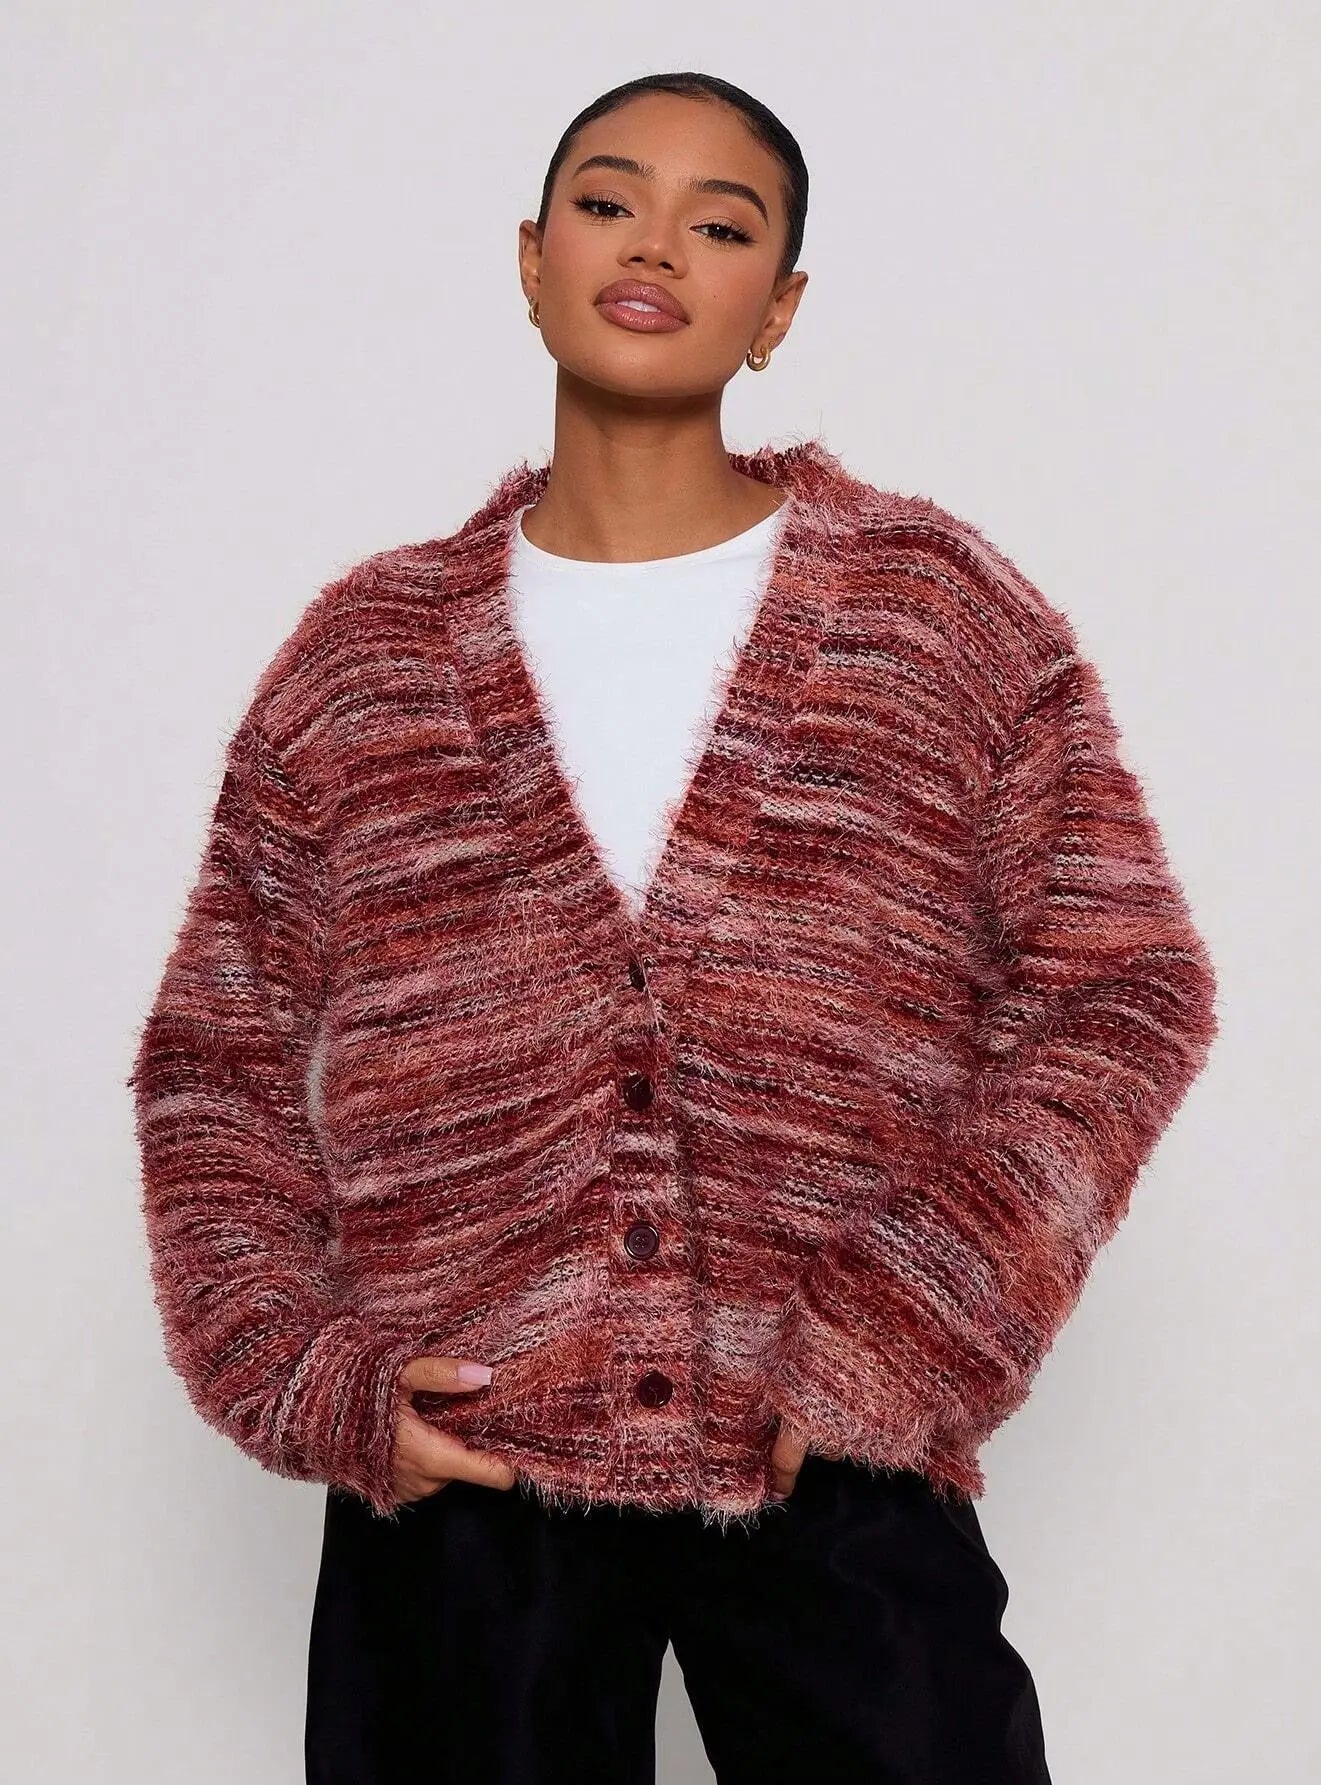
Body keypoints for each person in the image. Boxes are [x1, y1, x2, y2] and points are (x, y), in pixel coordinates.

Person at [128, 70, 1219, 1785]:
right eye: (607, 201)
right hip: (464, 1471)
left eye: (722, 224)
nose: (654, 247)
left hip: (835, 1447)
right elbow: (217, 1055)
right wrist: (303, 1367)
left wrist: (911, 1320)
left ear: (778, 309)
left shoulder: (933, 618)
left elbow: (1124, 989)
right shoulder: (364, 658)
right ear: (531, 259)